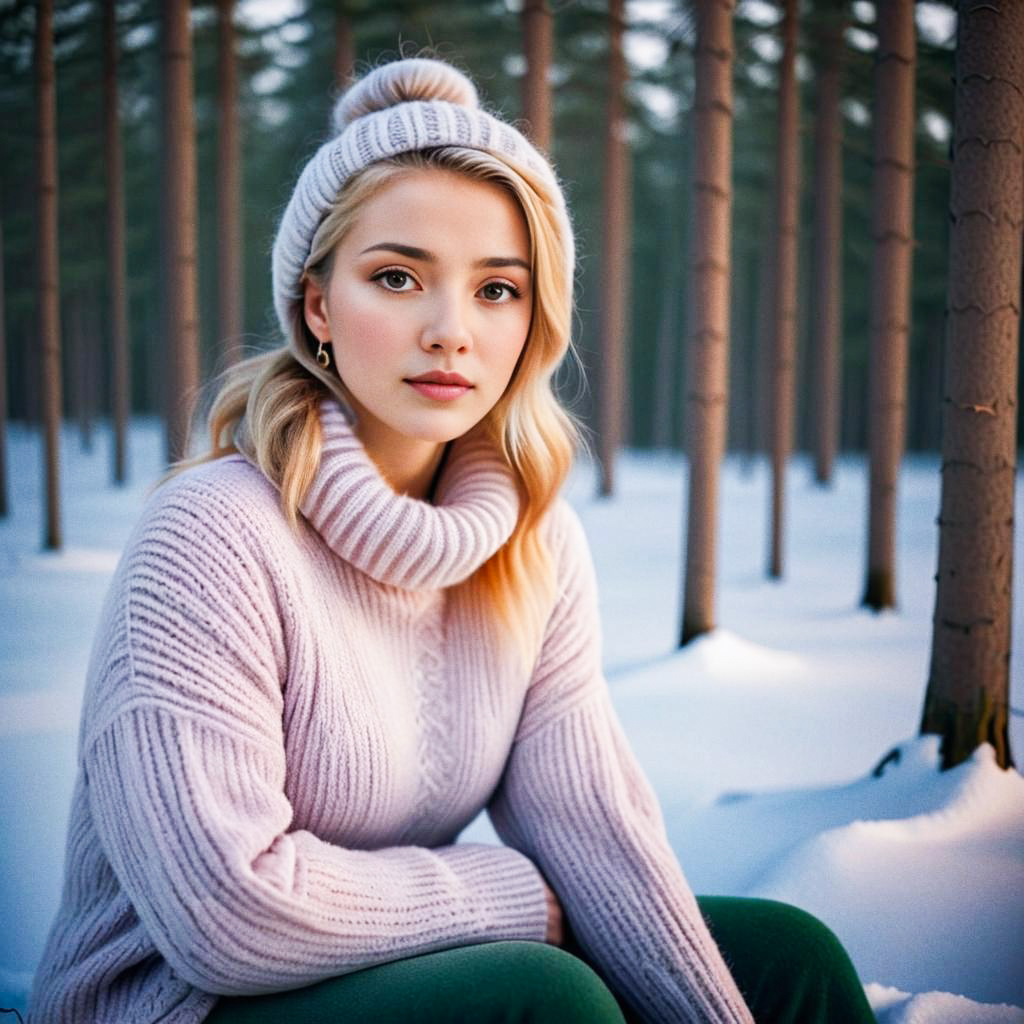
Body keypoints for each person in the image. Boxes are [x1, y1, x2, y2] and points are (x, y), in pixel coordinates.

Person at [27, 56, 876, 1024]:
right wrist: (516, 894)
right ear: (317, 306)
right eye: (397, 278)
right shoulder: (214, 531)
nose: (450, 331)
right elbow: (228, 913)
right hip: (179, 1000)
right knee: (540, 995)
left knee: (781, 955)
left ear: (535, 320)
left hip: (386, 959)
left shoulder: (530, 544)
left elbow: (590, 833)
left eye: (497, 289)